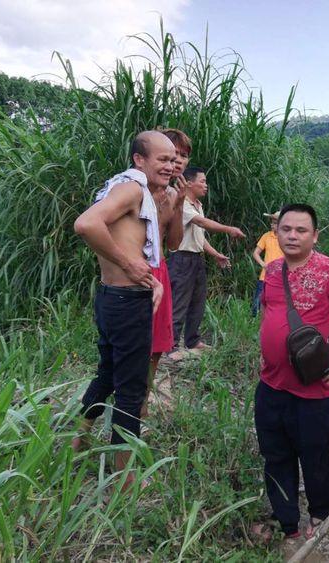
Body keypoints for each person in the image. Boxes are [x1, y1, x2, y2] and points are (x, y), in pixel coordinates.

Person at [252, 203, 329, 541]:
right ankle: (285, 519)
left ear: (315, 236)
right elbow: (268, 313)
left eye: (301, 230)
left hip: (313, 389)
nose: (292, 235)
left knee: (317, 454)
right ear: (277, 232)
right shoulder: (273, 269)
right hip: (271, 385)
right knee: (275, 453)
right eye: (286, 229)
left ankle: (321, 513)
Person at [71, 130, 173, 488]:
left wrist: (144, 274)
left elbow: (122, 239)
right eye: (162, 158)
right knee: (130, 389)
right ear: (139, 160)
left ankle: (77, 439)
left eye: (173, 159)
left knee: (109, 374)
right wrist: (130, 266)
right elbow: (86, 224)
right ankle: (124, 475)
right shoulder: (131, 189)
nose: (171, 165)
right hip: (126, 303)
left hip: (112, 297)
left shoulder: (129, 188)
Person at [167, 167, 245, 359]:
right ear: (189, 183)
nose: (206, 185)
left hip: (197, 258)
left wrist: (215, 254)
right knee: (179, 302)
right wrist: (229, 229)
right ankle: (171, 346)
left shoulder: (198, 204)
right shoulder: (181, 203)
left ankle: (193, 341)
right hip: (181, 258)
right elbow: (201, 223)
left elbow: (199, 236)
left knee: (198, 301)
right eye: (202, 181)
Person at [140, 128, 191, 418]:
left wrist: (180, 201)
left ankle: (143, 404)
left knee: (158, 345)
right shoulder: (135, 188)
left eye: (183, 156)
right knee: (136, 345)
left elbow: (172, 243)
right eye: (172, 154)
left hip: (160, 270)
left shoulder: (173, 193)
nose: (178, 161)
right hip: (137, 274)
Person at [251, 211, 284, 316]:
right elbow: (256, 253)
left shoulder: (286, 239)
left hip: (281, 276)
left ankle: (274, 318)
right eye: (272, 222)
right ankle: (254, 319)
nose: (272, 224)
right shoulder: (266, 236)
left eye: (275, 222)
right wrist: (263, 264)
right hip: (265, 275)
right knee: (258, 299)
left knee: (279, 301)